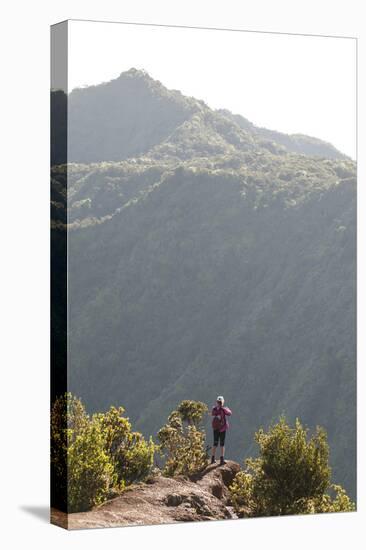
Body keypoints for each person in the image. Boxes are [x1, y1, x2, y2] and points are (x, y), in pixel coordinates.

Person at [211, 395, 232, 465]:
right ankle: (221, 459)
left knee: (215, 443)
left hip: (216, 429)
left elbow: (212, 413)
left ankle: (212, 459)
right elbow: (229, 413)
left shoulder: (214, 409)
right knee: (222, 444)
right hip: (222, 429)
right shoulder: (223, 409)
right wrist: (223, 408)